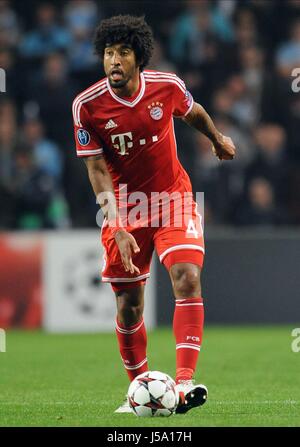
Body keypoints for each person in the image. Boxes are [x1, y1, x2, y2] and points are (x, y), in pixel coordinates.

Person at [72, 15, 236, 414]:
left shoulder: (167, 87)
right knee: (129, 305)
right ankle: (138, 391)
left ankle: (183, 383)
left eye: (123, 53)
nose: (114, 60)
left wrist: (216, 138)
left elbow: (192, 110)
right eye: (109, 52)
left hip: (172, 199)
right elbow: (95, 169)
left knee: (187, 276)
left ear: (138, 58)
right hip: (125, 210)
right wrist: (115, 223)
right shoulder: (87, 107)